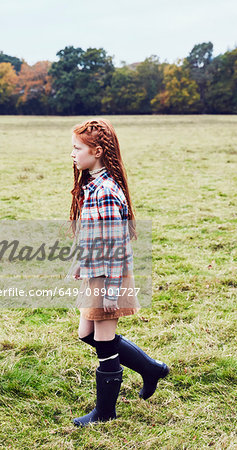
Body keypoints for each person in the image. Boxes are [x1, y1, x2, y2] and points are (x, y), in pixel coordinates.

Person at [68, 118, 169, 427]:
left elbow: (117, 247)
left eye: (77, 148)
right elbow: (93, 234)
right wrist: (78, 262)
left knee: (104, 341)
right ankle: (151, 368)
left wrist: (111, 293)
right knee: (88, 335)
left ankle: (106, 413)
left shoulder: (107, 191)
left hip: (110, 277)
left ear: (97, 151)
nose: (72, 154)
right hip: (97, 272)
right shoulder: (93, 184)